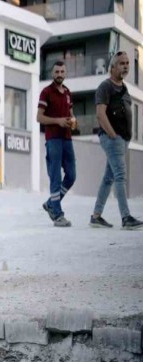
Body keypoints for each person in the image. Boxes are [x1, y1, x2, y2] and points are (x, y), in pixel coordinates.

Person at [90, 51, 143, 230]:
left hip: (123, 140)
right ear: (112, 67)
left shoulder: (124, 88)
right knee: (120, 176)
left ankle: (96, 216)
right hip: (112, 138)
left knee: (109, 178)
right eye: (121, 63)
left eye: (128, 63)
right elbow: (100, 113)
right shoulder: (105, 87)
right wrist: (113, 135)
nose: (126, 66)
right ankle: (126, 217)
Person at [37, 60, 76, 227]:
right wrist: (57, 121)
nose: (59, 74)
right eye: (57, 72)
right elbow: (39, 117)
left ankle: (51, 203)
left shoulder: (68, 92)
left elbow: (71, 114)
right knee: (55, 176)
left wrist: (74, 121)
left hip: (67, 138)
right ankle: (57, 214)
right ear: (52, 74)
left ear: (65, 73)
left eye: (62, 71)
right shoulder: (46, 92)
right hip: (53, 138)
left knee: (71, 175)